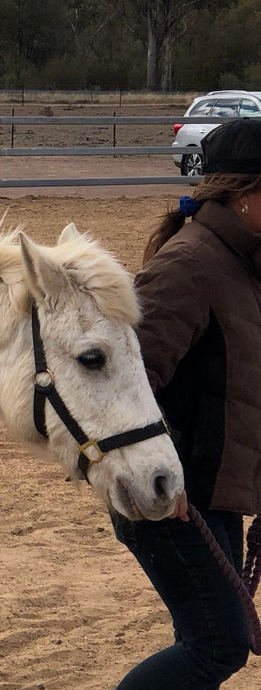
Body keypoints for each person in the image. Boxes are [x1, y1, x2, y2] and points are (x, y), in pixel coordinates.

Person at [111, 116, 261, 688]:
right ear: (244, 194)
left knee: (207, 639)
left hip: (210, 491)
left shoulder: (243, 265)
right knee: (217, 643)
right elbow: (128, 383)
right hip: (170, 493)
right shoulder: (191, 266)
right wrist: (159, 475)